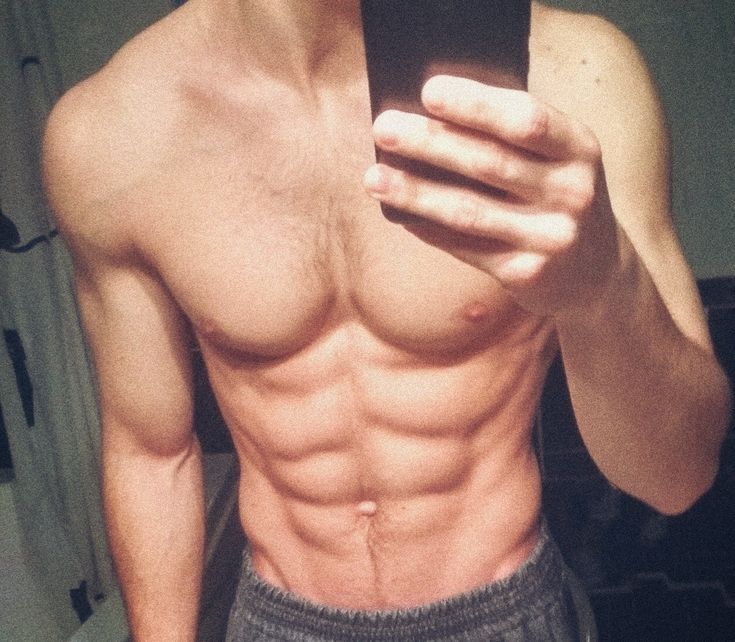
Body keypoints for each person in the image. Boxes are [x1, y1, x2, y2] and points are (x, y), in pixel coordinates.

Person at [42, 1, 732, 640]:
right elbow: (152, 453)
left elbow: (677, 477)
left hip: (503, 612)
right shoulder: (112, 130)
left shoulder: (577, 77)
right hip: (278, 620)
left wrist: (601, 287)